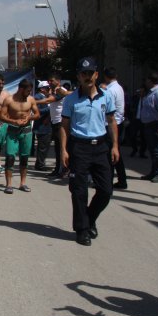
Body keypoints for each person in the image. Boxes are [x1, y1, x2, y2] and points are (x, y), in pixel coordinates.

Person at [60, 57, 119, 246]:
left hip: (101, 147)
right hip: (80, 147)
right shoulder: (71, 100)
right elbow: (64, 126)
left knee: (105, 190)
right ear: (78, 76)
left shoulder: (106, 96)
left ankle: (90, 218)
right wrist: (63, 150)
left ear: (96, 74)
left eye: (90, 73)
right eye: (83, 74)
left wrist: (115, 146)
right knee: (79, 191)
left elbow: (111, 121)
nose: (87, 77)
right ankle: (82, 229)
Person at [0, 79, 40, 194]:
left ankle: (23, 183)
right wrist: (13, 121)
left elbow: (37, 114)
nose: (29, 93)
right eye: (27, 91)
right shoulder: (9, 100)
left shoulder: (31, 100)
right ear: (21, 89)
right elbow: (1, 116)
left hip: (26, 131)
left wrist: (29, 118)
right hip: (13, 131)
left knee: (24, 158)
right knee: (10, 157)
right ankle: (9, 185)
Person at [35, 74, 71, 177]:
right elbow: (53, 107)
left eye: (52, 81)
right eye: (49, 81)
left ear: (58, 81)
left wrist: (33, 101)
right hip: (55, 122)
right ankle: (58, 169)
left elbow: (48, 101)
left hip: (61, 123)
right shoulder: (55, 91)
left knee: (62, 148)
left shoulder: (60, 90)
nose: (49, 83)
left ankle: (64, 169)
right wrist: (48, 118)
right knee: (57, 148)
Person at [139, 72, 158, 183]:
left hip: (155, 124)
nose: (145, 82)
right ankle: (154, 171)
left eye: (147, 80)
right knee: (152, 150)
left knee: (157, 149)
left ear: (151, 81)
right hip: (148, 125)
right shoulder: (150, 93)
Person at [103, 67, 128, 189]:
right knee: (116, 152)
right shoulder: (119, 88)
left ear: (106, 77)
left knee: (110, 154)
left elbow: (108, 109)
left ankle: (108, 181)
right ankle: (122, 179)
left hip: (112, 124)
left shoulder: (109, 90)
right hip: (119, 122)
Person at [33, 81, 52, 171]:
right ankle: (40, 165)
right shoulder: (37, 97)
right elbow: (38, 111)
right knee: (42, 146)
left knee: (44, 146)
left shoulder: (46, 97)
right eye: (47, 88)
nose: (49, 89)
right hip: (41, 126)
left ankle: (40, 163)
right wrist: (50, 108)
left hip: (46, 126)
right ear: (42, 89)